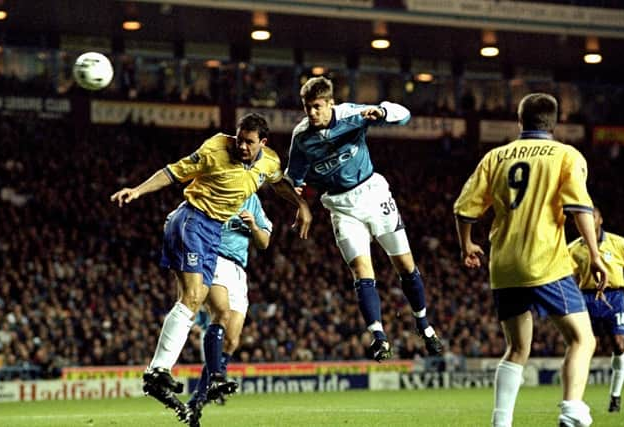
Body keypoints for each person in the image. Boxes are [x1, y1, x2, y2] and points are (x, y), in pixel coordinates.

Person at [110, 113, 311, 420]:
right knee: (192, 297)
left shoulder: (268, 161)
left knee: (204, 305)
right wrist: (137, 190)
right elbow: (174, 171)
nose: (241, 146)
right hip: (192, 220)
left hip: (210, 232)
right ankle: (159, 370)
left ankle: (168, 372)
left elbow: (279, 183)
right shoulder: (216, 148)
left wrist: (302, 207)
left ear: (263, 143)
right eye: (239, 138)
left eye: (249, 142)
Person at [454, 92, 607, 427]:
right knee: (583, 339)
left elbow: (464, 209)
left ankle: (501, 421)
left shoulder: (496, 156)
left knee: (518, 348)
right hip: (545, 262)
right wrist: (595, 255)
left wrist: (466, 245)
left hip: (504, 265)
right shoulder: (566, 155)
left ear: (519, 121)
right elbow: (579, 207)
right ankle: (571, 408)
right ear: (555, 123)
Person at [284, 76, 442, 363]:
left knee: (405, 265)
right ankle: (379, 337)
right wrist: (298, 199)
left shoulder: (352, 114)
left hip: (372, 194)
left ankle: (423, 324)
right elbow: (291, 178)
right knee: (360, 269)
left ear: (331, 103)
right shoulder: (301, 137)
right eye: (307, 107)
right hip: (341, 206)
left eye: (317, 107)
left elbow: (403, 115)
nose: (311, 113)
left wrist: (382, 112)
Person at [185, 193, 272, 427]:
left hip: (239, 270)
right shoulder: (216, 190)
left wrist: (253, 225)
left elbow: (264, 242)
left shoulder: (253, 201)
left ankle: (196, 401)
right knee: (221, 314)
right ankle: (215, 378)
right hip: (213, 260)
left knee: (232, 341)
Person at [569, 207, 624, 413]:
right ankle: (575, 399)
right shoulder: (573, 248)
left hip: (615, 297)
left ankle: (615, 396)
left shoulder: (619, 244)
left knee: (619, 345)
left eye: (592, 216)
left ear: (600, 220)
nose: (588, 220)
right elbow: (566, 275)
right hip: (586, 298)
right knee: (583, 346)